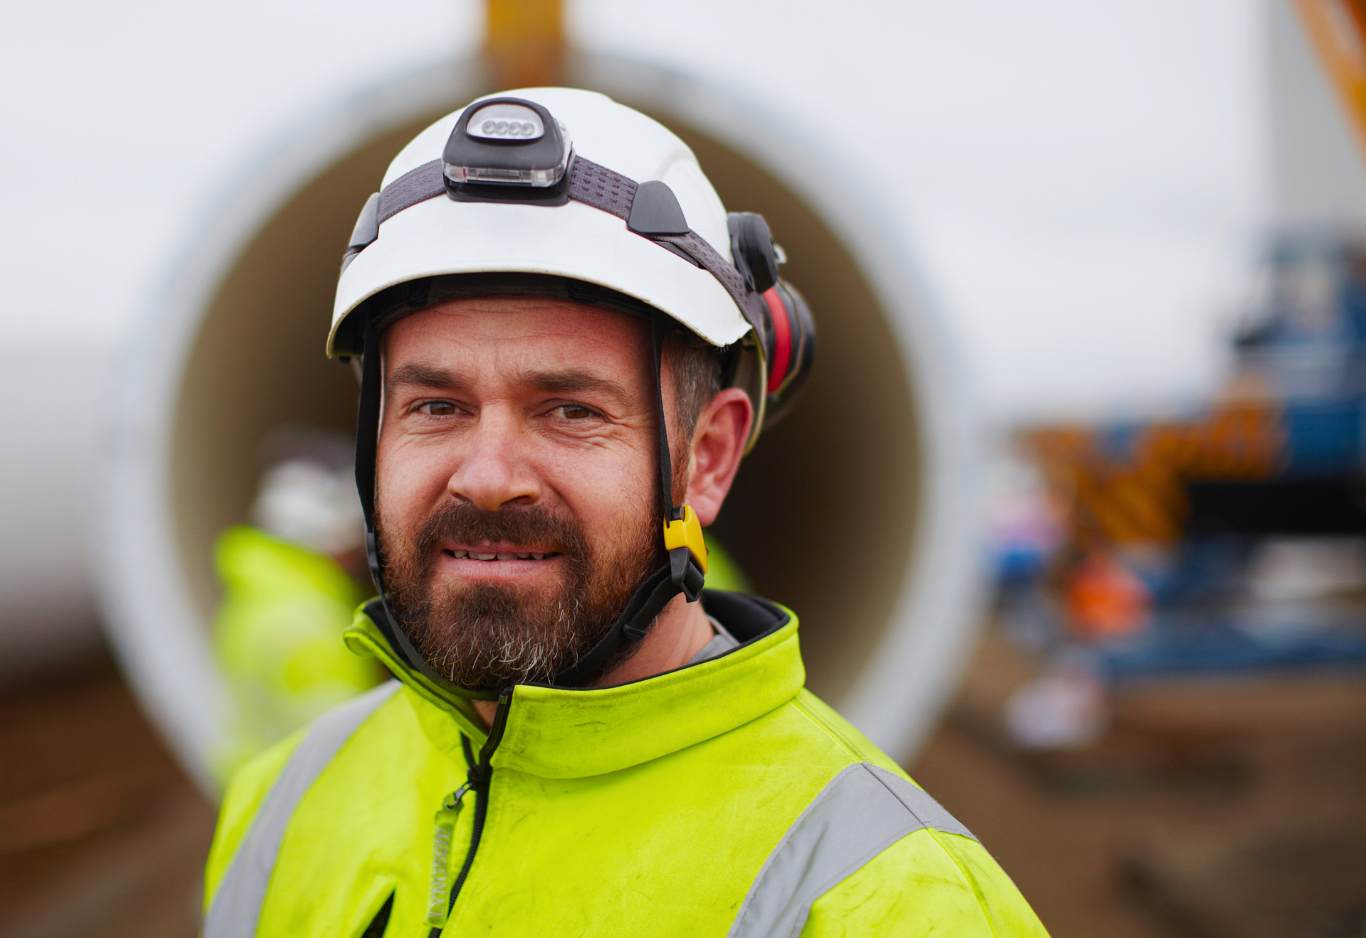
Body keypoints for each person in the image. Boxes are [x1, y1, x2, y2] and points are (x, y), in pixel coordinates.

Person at [203, 88, 1048, 937]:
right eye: (435, 407)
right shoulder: (286, 799)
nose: (488, 477)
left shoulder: (888, 902)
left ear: (708, 459)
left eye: (569, 410)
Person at [211, 429, 384, 778]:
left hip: (256, 791)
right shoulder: (311, 621)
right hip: (305, 801)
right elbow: (344, 753)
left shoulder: (256, 599)